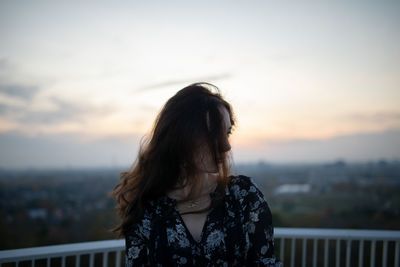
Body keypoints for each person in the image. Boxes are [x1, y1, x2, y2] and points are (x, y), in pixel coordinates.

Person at [112, 82, 282, 266]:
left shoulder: (244, 196)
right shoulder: (147, 209)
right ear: (180, 134)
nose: (226, 146)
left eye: (228, 133)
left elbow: (266, 262)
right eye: (213, 133)